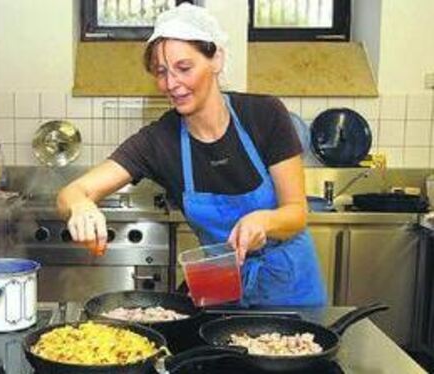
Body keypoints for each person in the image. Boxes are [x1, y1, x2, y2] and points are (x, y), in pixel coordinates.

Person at [57, 3, 326, 306]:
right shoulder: (159, 141)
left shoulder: (265, 115)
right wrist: (80, 205)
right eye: (161, 72)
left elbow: (296, 212)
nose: (171, 84)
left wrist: (265, 221)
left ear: (216, 59)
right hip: (220, 294)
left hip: (290, 291)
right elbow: (71, 192)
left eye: (184, 68)